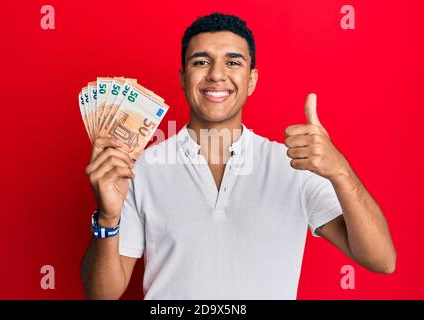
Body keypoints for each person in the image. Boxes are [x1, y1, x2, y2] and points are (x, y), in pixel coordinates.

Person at [81, 13, 396, 299]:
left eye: (233, 63)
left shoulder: (295, 165)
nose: (217, 75)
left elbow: (382, 260)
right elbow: (102, 295)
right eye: (201, 62)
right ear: (182, 78)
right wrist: (107, 218)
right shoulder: (142, 168)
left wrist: (340, 171)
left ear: (252, 80)